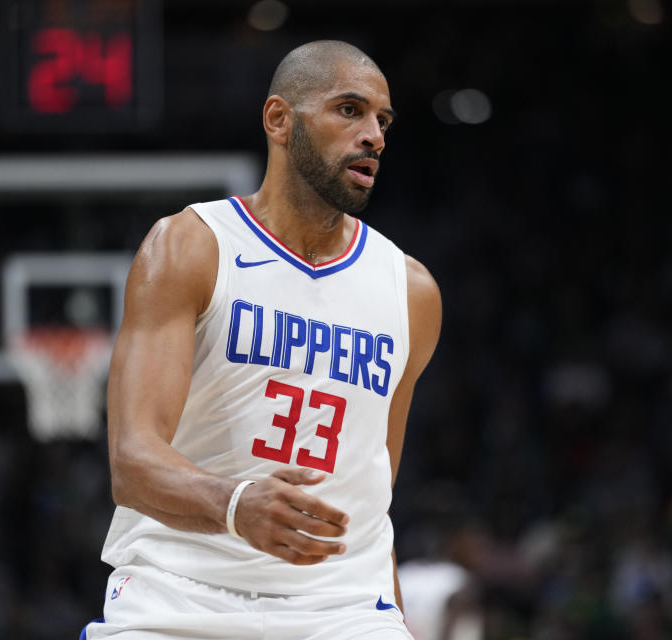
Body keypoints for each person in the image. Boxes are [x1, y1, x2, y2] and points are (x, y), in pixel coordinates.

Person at [81, 40, 442, 640]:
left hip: (342, 608)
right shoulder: (191, 247)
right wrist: (234, 504)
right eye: (349, 110)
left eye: (383, 120)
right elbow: (133, 462)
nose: (375, 135)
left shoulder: (411, 291)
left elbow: (373, 496)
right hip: (179, 596)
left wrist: (393, 615)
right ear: (279, 119)